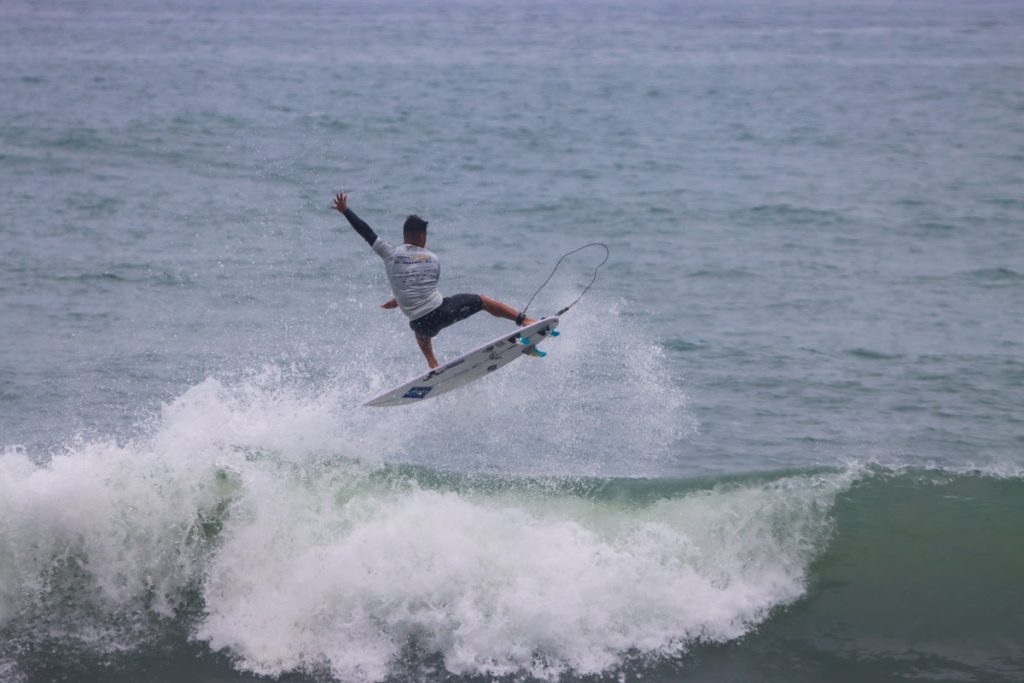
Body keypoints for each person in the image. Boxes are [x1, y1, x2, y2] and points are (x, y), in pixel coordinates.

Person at [332, 193, 535, 368]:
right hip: (441, 313)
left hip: (420, 324)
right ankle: (523, 320)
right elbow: (422, 288)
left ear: (405, 235)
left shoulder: (390, 254)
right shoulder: (432, 258)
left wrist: (345, 211)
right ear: (421, 236)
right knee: (483, 301)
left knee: (419, 324)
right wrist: (398, 299)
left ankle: (432, 362)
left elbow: (366, 232)